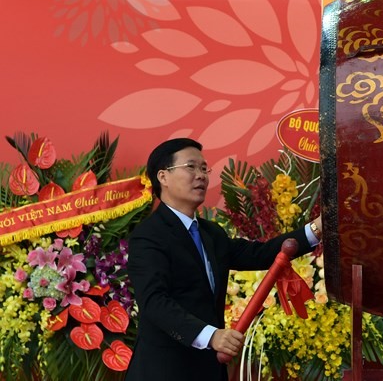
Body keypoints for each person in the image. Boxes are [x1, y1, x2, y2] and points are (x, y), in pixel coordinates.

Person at [125, 138, 322, 381]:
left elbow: (260, 254)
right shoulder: (149, 235)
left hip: (209, 369)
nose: (201, 175)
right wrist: (211, 336)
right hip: (164, 370)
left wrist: (317, 228)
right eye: (191, 167)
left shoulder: (211, 234)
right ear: (163, 177)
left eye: (204, 168)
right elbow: (154, 301)